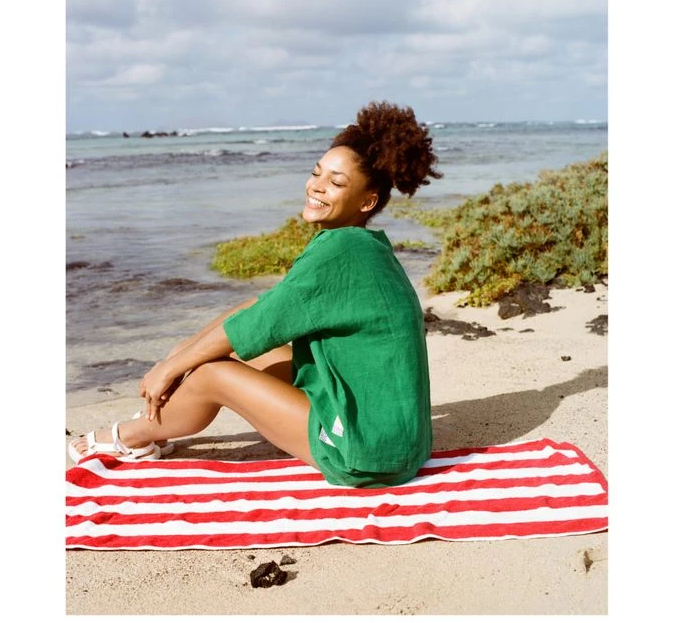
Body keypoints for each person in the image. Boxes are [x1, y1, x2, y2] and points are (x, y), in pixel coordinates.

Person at [68, 101, 442, 488]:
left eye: (336, 183)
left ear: (367, 201)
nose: (316, 186)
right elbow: (258, 308)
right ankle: (158, 427)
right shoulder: (362, 245)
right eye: (316, 173)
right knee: (198, 352)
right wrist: (178, 355)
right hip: (395, 439)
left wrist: (170, 369)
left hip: (365, 453)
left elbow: (254, 324)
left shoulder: (341, 250)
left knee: (210, 373)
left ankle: (130, 435)